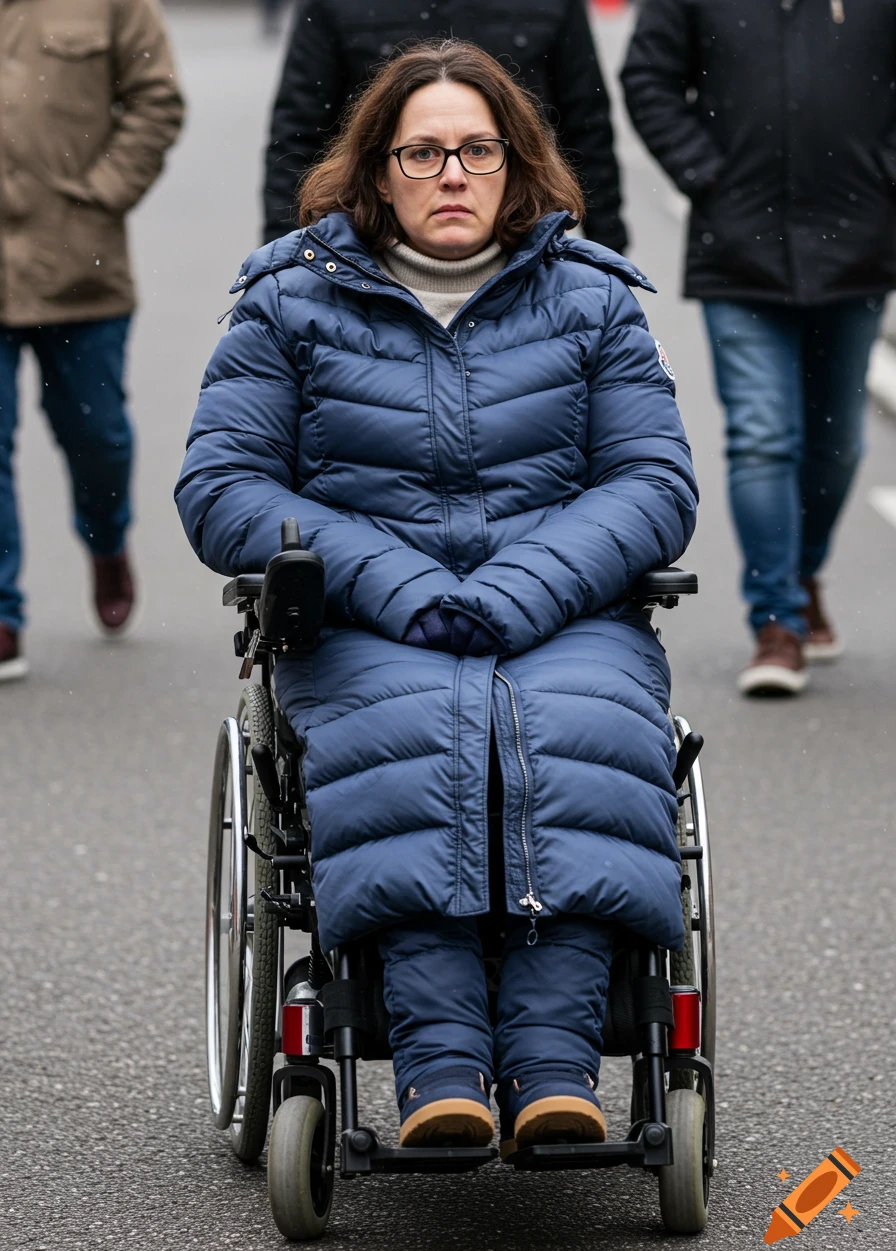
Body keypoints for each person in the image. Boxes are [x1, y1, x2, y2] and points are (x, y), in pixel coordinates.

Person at [177, 41, 696, 1152]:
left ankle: (556, 1068)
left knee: (571, 731)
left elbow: (652, 481)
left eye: (476, 150)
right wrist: (399, 582)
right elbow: (223, 485)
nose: (451, 174)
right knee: (417, 735)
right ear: (376, 170)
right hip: (371, 620)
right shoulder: (287, 301)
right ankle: (442, 1067)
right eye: (422, 152)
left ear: (516, 166)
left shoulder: (592, 297)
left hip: (559, 614)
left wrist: (514, 592)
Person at [622, 0, 895, 697]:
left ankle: (801, 576)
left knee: (838, 446)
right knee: (763, 433)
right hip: (738, 249)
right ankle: (776, 619)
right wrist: (705, 175)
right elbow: (648, 78)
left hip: (858, 239)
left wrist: (882, 173)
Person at [0, 0, 184, 683]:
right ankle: (2, 614)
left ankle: (107, 540)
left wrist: (102, 192)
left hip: (79, 265)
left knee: (98, 435)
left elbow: (156, 98)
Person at [263, 0, 626, 251]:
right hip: (373, 250)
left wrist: (608, 249)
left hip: (521, 246)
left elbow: (586, 124)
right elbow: (298, 134)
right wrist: (285, 257)